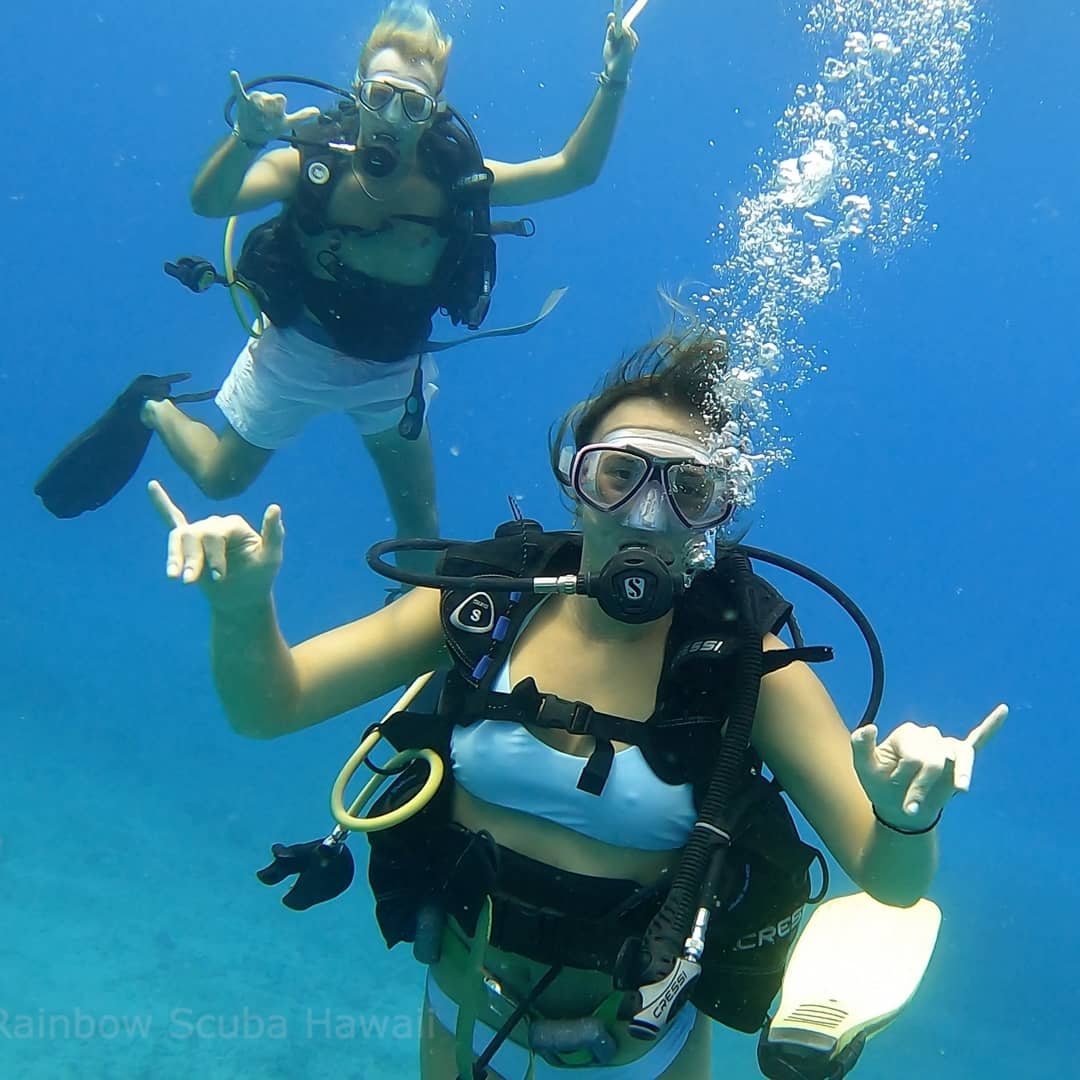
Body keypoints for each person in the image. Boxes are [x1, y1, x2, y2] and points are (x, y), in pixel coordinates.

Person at [147, 331, 1006, 1079]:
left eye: (689, 490)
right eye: (619, 475)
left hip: (643, 1054)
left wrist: (905, 817)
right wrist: (242, 610)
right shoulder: (490, 602)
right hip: (462, 1015)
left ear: (718, 511)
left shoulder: (749, 665)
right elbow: (271, 707)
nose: (647, 515)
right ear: (573, 480)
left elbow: (890, 884)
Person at [35, 0, 639, 573]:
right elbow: (210, 201)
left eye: (413, 105)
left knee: (419, 529)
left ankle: (418, 633)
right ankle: (153, 405)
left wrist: (613, 78)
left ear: (435, 112)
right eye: (380, 96)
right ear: (356, 92)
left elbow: (572, 171)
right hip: (297, 349)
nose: (392, 118)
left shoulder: (455, 180)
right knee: (220, 480)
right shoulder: (310, 163)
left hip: (391, 370)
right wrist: (248, 139)